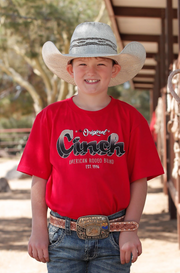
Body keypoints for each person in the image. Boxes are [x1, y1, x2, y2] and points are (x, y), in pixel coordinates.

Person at [17, 22, 164, 273]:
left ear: (114, 69)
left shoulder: (131, 119)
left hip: (114, 237)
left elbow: (139, 180)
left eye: (101, 63)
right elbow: (39, 179)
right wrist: (38, 230)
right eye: (82, 63)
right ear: (70, 69)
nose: (91, 71)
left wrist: (130, 229)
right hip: (62, 238)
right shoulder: (49, 117)